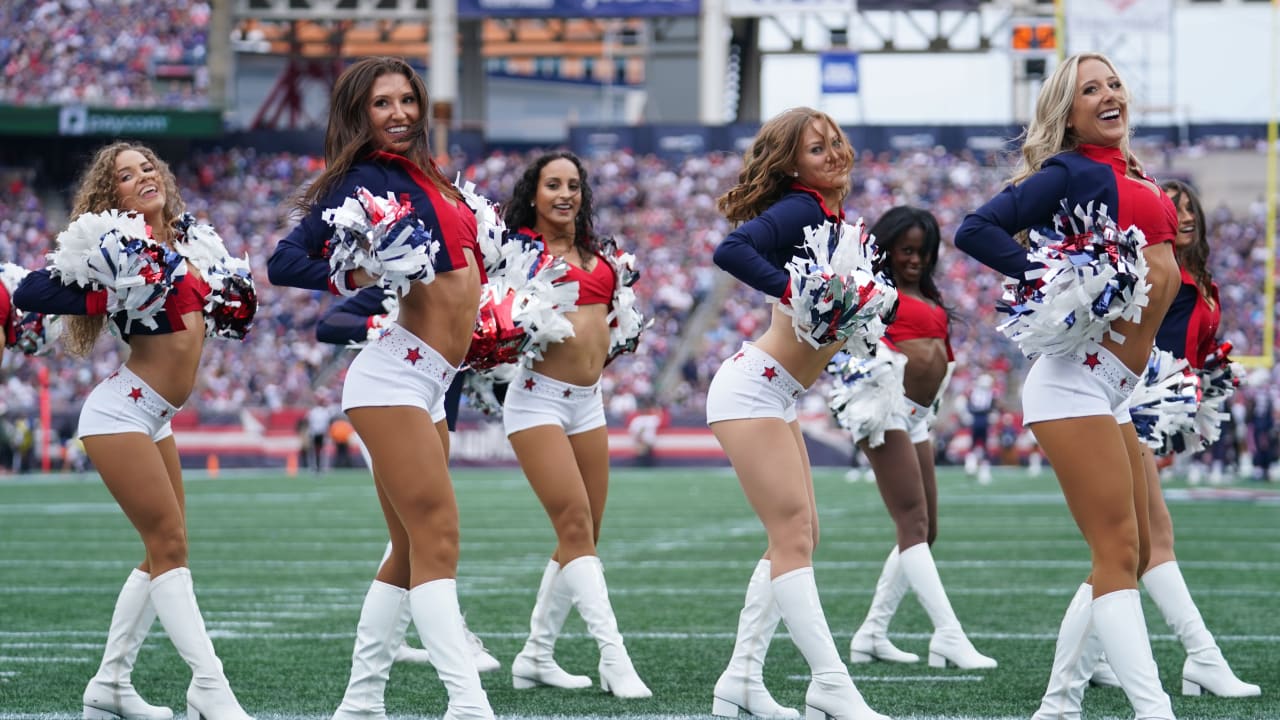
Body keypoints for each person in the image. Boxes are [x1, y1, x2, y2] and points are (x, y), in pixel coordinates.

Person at [954, 53, 1182, 720]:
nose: (1109, 95)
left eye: (1113, 84)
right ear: (1068, 111)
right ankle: (1154, 709)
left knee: (1130, 551)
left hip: (1113, 387)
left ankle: (1057, 706)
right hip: (1072, 384)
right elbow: (976, 229)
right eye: (1091, 90)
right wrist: (1052, 277)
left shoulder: (1132, 173)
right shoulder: (1070, 171)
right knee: (1116, 550)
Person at [267, 57, 492, 720]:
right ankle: (467, 703)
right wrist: (355, 274)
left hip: (431, 380)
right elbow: (286, 260)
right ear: (358, 114)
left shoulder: (430, 177)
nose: (398, 114)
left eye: (406, 100)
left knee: (407, 549)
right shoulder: (363, 178)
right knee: (438, 539)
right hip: (393, 376)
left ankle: (361, 702)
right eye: (381, 103)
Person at [14, 142, 254, 720]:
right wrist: (114, 287)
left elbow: (226, 312)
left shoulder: (191, 241)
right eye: (125, 175)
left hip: (156, 418)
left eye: (148, 167)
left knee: (164, 549)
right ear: (111, 195)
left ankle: (110, 685)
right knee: (169, 547)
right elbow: (30, 292)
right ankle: (210, 688)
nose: (142, 177)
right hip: (120, 413)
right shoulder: (118, 246)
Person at [707, 107, 890, 720]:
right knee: (792, 538)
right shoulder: (804, 210)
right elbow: (732, 248)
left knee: (801, 536)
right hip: (751, 391)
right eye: (817, 149)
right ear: (791, 166)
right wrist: (791, 290)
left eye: (836, 141)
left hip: (775, 394)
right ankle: (831, 685)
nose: (834, 153)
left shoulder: (836, 220)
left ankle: (741, 681)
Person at [1086, 181, 1260, 698]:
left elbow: (1203, 349)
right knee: (1149, 540)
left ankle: (1089, 663)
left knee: (1129, 547)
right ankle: (1202, 656)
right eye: (1172, 208)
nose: (1183, 217)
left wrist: (1197, 391)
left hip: (1159, 405)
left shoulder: (1200, 280)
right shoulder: (1153, 271)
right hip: (1131, 400)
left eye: (1190, 210)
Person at [500, 151, 651, 698]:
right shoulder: (517, 252)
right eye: (552, 185)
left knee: (586, 534)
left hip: (589, 402)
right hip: (537, 402)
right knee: (573, 526)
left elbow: (607, 329)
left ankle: (536, 656)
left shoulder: (599, 256)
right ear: (534, 195)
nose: (565, 194)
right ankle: (614, 657)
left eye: (573, 185)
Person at [315, 285, 502, 674]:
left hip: (436, 412)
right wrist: (386, 325)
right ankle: (451, 638)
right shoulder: (404, 280)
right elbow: (329, 323)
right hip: (395, 404)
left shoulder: (485, 290)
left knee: (411, 533)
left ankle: (392, 644)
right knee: (421, 529)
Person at [843, 206, 996, 671]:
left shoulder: (928, 297)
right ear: (886, 248)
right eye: (906, 250)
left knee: (927, 531)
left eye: (923, 252)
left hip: (916, 417)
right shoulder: (875, 293)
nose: (914, 259)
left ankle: (871, 634)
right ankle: (948, 636)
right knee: (912, 524)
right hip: (882, 410)